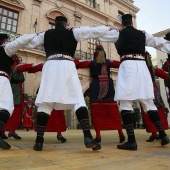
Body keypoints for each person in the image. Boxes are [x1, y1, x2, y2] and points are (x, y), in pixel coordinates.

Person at [25, 16, 112, 151]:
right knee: (78, 101)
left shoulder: (46, 34)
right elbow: (92, 31)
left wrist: (37, 35)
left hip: (50, 65)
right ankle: (88, 136)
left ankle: (39, 141)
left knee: (46, 103)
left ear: (54, 23)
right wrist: (108, 28)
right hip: (67, 65)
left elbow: (30, 44)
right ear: (66, 24)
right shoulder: (73, 32)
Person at [99, 14, 170, 150]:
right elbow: (160, 43)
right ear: (132, 23)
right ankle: (163, 134)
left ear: (122, 23)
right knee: (148, 103)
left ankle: (131, 140)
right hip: (142, 67)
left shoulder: (118, 33)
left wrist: (109, 28)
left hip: (127, 66)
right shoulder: (143, 34)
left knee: (125, 102)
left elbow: (100, 34)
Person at [75, 45, 125, 143]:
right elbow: (120, 64)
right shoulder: (109, 62)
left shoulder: (92, 62)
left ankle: (98, 135)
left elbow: (79, 64)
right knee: (113, 111)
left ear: (95, 53)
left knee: (97, 111)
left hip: (96, 86)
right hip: (109, 87)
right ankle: (121, 133)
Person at [0, 33, 36, 149]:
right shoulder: (6, 49)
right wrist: (36, 35)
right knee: (7, 107)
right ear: (5, 41)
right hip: (3, 78)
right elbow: (20, 41)